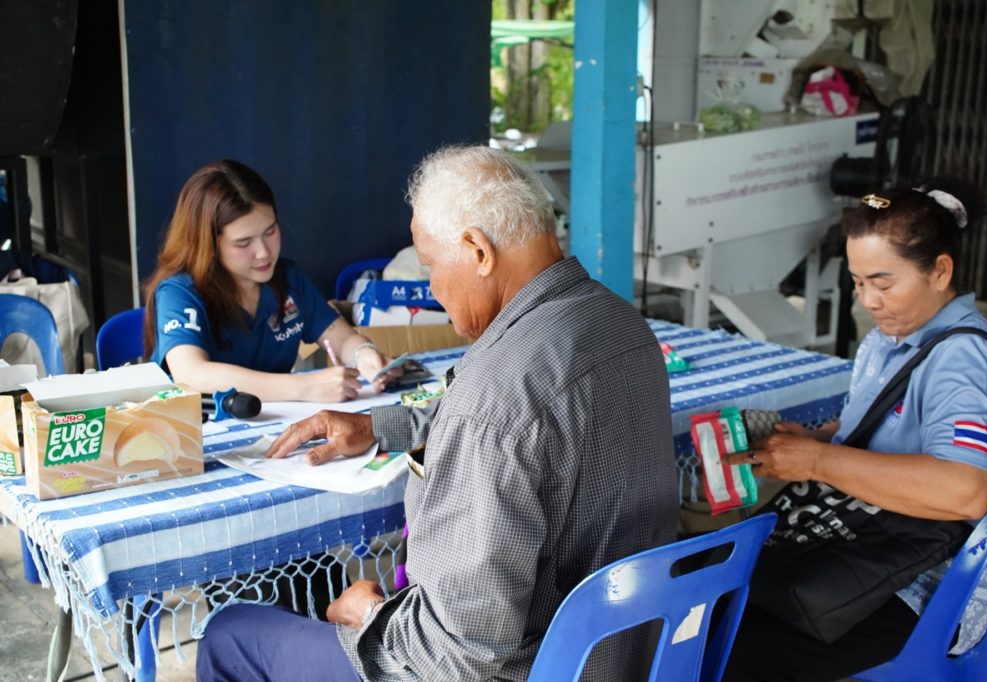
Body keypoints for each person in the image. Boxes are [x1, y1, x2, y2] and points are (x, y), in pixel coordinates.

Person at [195, 145, 679, 681]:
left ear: (477, 250)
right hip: (628, 653)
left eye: (429, 264)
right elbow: (508, 418)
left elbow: (461, 655)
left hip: (530, 669)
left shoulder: (496, 394)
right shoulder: (623, 326)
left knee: (230, 635)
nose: (432, 290)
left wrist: (372, 618)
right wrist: (377, 427)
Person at [722, 180, 987, 681]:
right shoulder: (892, 338)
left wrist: (819, 463)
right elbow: (876, 428)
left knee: (727, 647)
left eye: (883, 283)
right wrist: (813, 442)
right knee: (714, 603)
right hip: (866, 544)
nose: (869, 301)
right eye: (859, 283)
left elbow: (966, 491)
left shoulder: (960, 359)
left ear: (940, 271)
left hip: (919, 585)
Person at [142, 159, 396, 403]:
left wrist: (364, 355)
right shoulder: (180, 291)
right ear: (209, 245)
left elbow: (342, 338)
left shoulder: (288, 278)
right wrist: (304, 387)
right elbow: (192, 374)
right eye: (243, 243)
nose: (264, 252)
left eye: (270, 231)